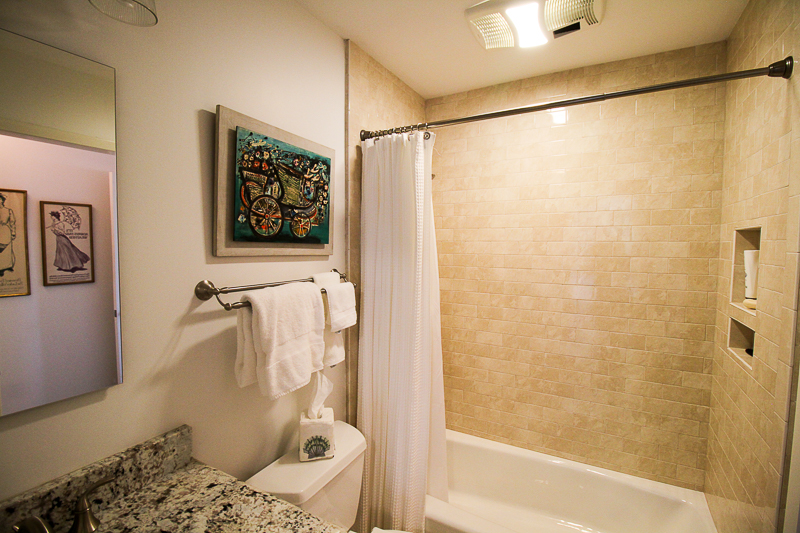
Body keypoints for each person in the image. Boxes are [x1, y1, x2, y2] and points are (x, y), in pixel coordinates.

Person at [0, 192, 16, 276]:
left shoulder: (8, 210)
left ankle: (8, 265)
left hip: (6, 230)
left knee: (7, 249)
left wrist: (13, 232)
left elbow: (12, 222)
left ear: (2, 201)